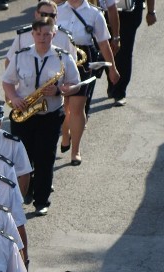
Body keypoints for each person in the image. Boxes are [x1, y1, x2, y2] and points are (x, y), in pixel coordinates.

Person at [2, 17, 79, 216]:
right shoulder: (21, 56)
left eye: (47, 34)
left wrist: (59, 90)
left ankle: (42, 200)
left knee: (45, 157)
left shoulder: (63, 58)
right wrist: (13, 98)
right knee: (23, 157)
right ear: (32, 35)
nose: (42, 38)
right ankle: (26, 190)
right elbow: (7, 81)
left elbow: (75, 85)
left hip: (50, 114)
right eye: (38, 34)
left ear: (53, 35)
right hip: (25, 113)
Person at [55, 0, 120, 166]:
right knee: (63, 106)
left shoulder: (95, 13)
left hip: (83, 60)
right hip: (59, 59)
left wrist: (112, 68)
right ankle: (65, 132)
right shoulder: (56, 10)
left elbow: (104, 43)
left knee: (77, 107)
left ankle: (75, 150)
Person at [106, 0, 156, 106]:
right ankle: (112, 82)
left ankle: (119, 92)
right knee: (106, 49)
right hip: (105, 9)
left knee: (124, 50)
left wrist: (151, 11)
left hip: (130, 11)